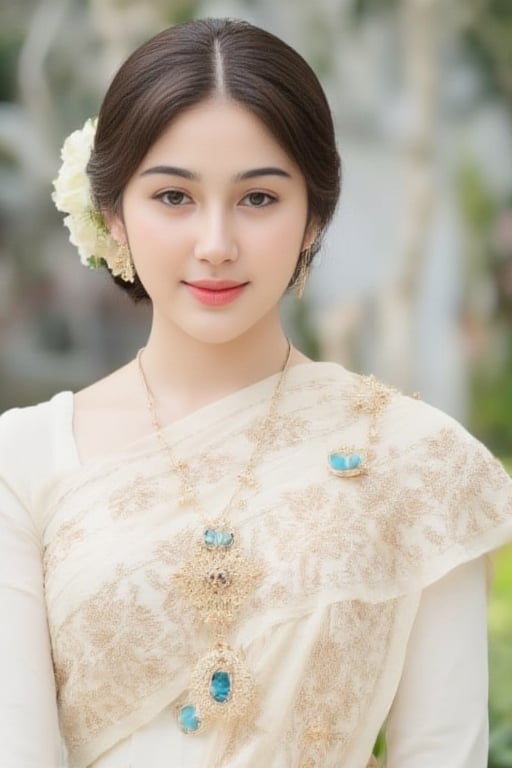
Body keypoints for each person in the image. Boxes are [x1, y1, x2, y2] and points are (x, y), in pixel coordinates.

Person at [0, 16, 511, 768]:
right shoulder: (23, 460)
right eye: (173, 197)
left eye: (259, 199)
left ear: (313, 218)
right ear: (114, 214)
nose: (215, 243)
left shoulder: (420, 463)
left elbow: (446, 751)